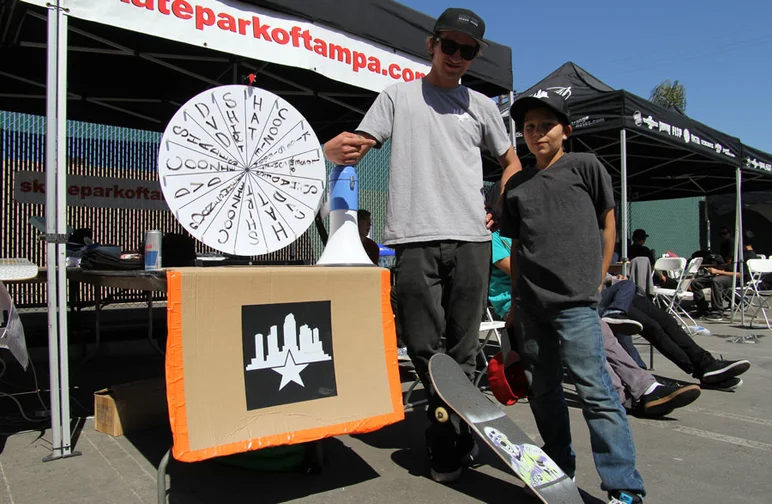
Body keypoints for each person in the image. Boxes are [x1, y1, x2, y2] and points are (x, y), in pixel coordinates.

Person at [323, 7, 522, 484]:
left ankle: (455, 434)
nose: (456, 56)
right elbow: (357, 144)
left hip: (472, 240)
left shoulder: (483, 107)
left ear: (474, 56)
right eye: (449, 45)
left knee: (466, 347)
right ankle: (445, 431)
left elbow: (512, 161)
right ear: (431, 44)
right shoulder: (397, 97)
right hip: (412, 239)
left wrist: (501, 202)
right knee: (424, 346)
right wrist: (329, 149)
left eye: (467, 50)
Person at [501, 89, 645, 503]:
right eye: (529, 127)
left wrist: (598, 277)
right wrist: (514, 304)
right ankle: (558, 468)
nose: (536, 133)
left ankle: (624, 487)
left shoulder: (586, 167)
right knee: (543, 392)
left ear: (566, 130)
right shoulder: (517, 184)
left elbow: (608, 225)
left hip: (576, 305)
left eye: (546, 126)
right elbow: (516, 247)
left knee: (597, 392)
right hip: (530, 307)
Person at [490, 230, 701, 418]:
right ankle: (633, 393)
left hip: (555, 298)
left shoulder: (528, 232)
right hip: (518, 305)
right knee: (589, 329)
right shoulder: (495, 239)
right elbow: (522, 273)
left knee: (600, 324)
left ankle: (640, 389)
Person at [600, 279, 751, 390]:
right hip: (598, 303)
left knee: (667, 321)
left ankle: (707, 365)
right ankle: (703, 371)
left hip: (616, 295)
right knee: (652, 327)